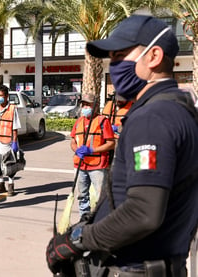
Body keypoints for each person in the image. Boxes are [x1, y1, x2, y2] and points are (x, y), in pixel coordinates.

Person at [46, 15, 198, 277]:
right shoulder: (178, 109)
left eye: (120, 56)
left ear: (153, 56)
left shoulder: (152, 118)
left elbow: (142, 213)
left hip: (135, 269)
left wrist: (76, 240)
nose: (113, 66)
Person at [70, 94, 115, 218]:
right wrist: (77, 150)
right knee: (82, 195)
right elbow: (73, 141)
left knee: (101, 195)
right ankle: (83, 218)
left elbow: (111, 143)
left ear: (95, 106)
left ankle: (101, 218)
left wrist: (92, 150)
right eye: (83, 105)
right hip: (80, 164)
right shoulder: (79, 121)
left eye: (88, 105)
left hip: (97, 166)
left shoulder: (102, 121)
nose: (85, 107)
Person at [0, 85, 21, 196]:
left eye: (1, 96)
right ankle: (0, 184)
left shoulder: (12, 109)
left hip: (8, 141)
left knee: (9, 165)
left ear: (7, 96)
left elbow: (15, 127)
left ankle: (11, 186)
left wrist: (15, 142)